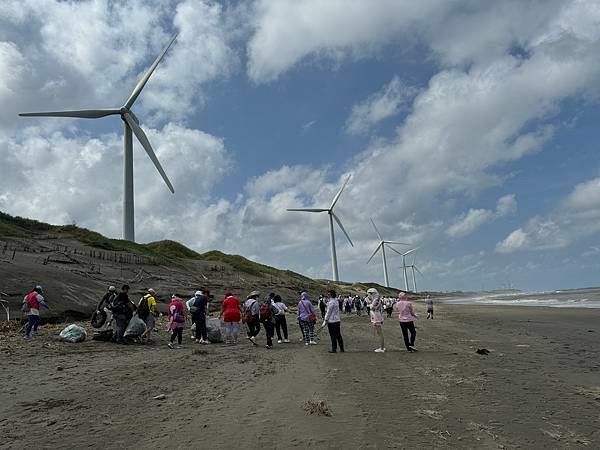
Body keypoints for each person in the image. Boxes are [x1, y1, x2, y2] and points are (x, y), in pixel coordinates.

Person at [367, 288, 385, 353]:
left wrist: (369, 304)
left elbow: (372, 307)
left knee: (379, 333)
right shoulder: (378, 299)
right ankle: (382, 347)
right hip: (377, 315)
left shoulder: (375, 300)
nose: (368, 295)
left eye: (369, 294)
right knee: (379, 333)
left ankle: (382, 348)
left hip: (375, 316)